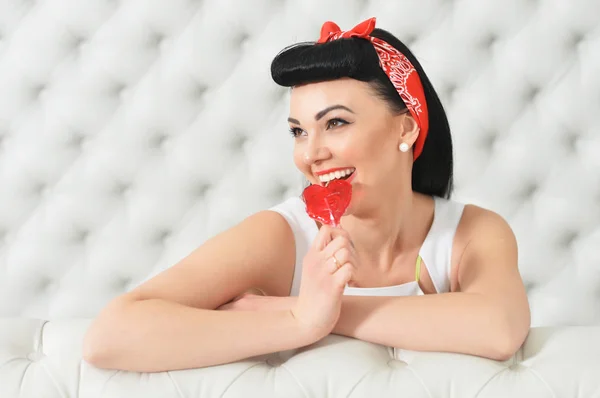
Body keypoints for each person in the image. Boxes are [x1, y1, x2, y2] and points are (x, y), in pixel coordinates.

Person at [82, 17, 531, 373]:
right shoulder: (282, 236)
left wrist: (319, 313)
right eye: (299, 131)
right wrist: (300, 321)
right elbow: (110, 337)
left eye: (336, 123)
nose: (311, 154)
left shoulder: (472, 233)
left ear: (406, 127)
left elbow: (499, 328)